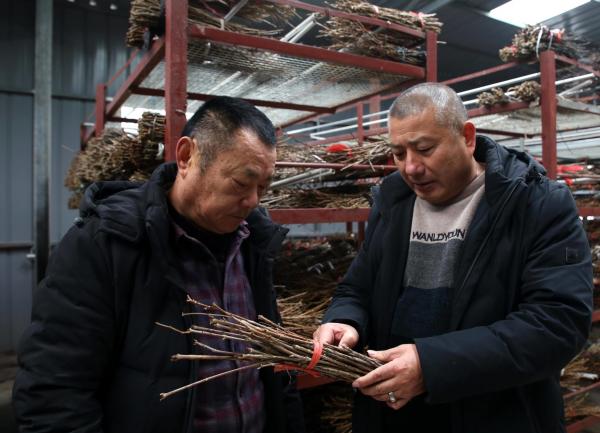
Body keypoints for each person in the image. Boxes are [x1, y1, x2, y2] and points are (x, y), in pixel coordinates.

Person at [13, 96, 305, 433]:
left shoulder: (253, 244)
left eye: (263, 187)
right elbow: (53, 393)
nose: (253, 200)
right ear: (186, 157)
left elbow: (275, 374)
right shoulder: (106, 245)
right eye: (241, 183)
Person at [314, 82, 593, 433]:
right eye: (399, 153)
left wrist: (431, 366)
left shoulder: (535, 204)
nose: (411, 168)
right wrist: (345, 320)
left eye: (425, 149)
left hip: (495, 417)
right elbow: (357, 289)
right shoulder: (393, 206)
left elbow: (557, 324)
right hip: (395, 415)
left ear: (468, 137)